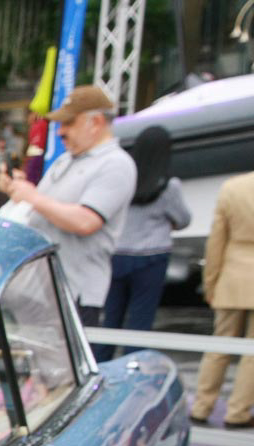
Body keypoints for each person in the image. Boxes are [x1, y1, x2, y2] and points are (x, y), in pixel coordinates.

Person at [0, 84, 136, 326]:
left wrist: (31, 196)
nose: (61, 132)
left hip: (73, 292)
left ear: (96, 123)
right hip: (42, 289)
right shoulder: (66, 160)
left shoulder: (116, 164)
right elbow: (41, 205)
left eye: (69, 123)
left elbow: (85, 221)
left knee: (59, 363)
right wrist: (15, 187)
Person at [103, 126, 190, 344]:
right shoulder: (169, 186)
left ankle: (101, 365)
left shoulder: (124, 177)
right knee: (140, 322)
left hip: (118, 253)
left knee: (110, 320)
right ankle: (134, 368)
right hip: (152, 257)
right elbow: (184, 219)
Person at [192, 170, 254, 428]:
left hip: (233, 274)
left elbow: (216, 241)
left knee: (219, 345)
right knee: (252, 352)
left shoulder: (232, 187)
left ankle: (201, 406)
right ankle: (238, 412)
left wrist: (211, 282)